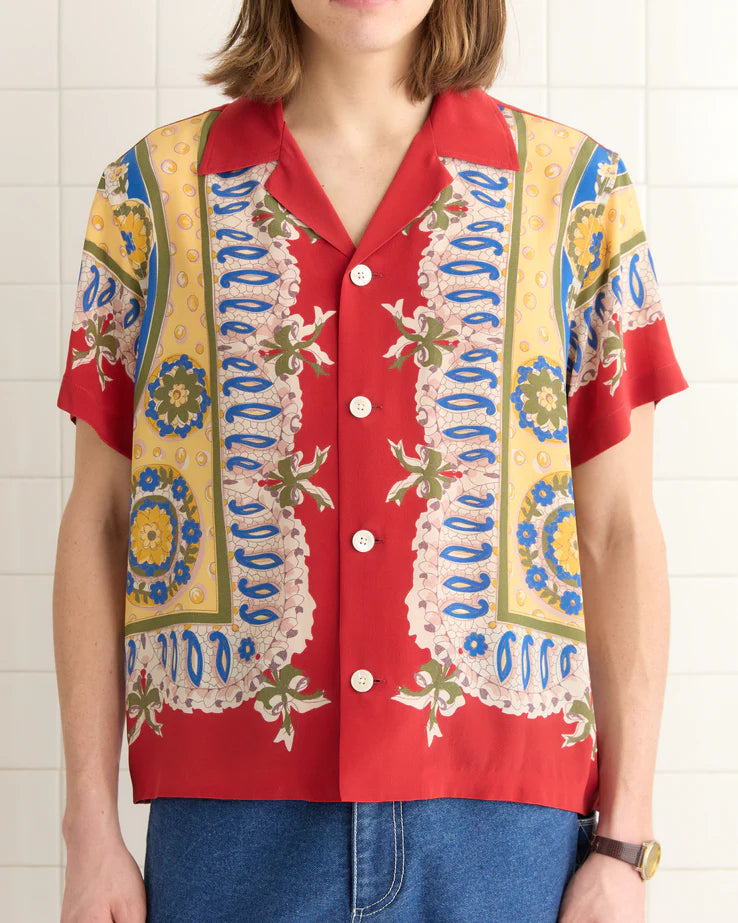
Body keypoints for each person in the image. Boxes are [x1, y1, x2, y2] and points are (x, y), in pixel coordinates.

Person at [53, 1, 687, 921]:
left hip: (503, 829)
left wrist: (624, 844)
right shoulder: (151, 194)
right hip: (231, 827)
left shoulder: (576, 193)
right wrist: (89, 828)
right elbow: (102, 520)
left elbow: (619, 529)